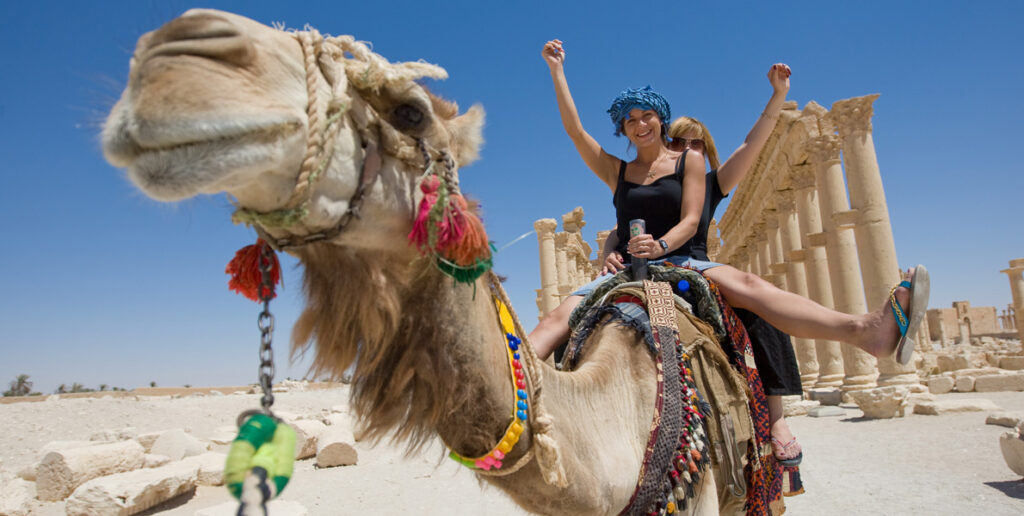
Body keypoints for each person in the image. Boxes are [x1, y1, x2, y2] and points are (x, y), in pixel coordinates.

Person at [530, 39, 928, 460]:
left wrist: (660, 245)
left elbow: (689, 219)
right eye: (629, 120)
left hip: (682, 259)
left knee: (752, 288)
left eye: (646, 115)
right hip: (630, 268)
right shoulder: (618, 171)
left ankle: (864, 331)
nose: (638, 124)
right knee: (559, 315)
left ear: (660, 120)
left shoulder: (691, 163)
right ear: (622, 129)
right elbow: (575, 131)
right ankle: (510, 380)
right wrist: (557, 71)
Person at [596, 64, 808, 465]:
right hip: (647, 263)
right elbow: (622, 227)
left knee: (763, 316)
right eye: (682, 142)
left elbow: (752, 142)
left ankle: (777, 419)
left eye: (697, 145)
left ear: (705, 151)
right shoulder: (653, 177)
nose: (688, 150)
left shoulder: (714, 182)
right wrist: (610, 246)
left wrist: (778, 95)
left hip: (693, 265)